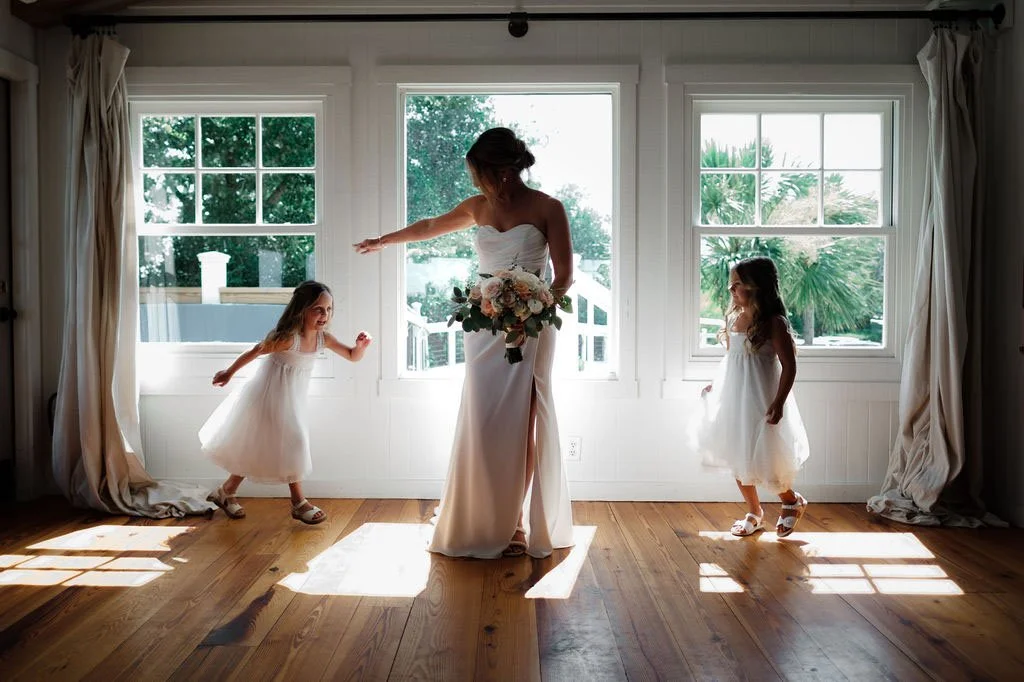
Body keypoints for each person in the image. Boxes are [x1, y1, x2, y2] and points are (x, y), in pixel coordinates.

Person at [354, 127, 574, 558]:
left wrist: (533, 310)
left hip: (530, 328)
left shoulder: (549, 207)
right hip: (485, 324)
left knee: (521, 421)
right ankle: (479, 514)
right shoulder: (477, 206)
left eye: (479, 172)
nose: (475, 181)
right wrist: (384, 241)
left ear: (503, 170)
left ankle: (514, 523)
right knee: (484, 421)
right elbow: (430, 226)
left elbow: (564, 276)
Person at [201, 280, 372, 525]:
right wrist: (229, 372)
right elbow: (256, 350)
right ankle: (298, 503)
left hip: (291, 399)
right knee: (295, 440)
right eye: (318, 309)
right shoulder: (288, 339)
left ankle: (225, 492)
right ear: (302, 309)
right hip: (267, 396)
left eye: (328, 309)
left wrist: (360, 346)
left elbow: (352, 356)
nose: (324, 315)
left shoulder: (323, 338)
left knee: (257, 445)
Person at [697, 256, 810, 537]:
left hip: (761, 399)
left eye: (737, 284)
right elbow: (732, 360)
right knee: (738, 456)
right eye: (730, 284)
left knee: (767, 461)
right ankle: (754, 511)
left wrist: (778, 403)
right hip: (734, 399)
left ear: (758, 287)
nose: (731, 290)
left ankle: (791, 501)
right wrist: (716, 386)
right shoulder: (733, 319)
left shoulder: (774, 323)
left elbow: (789, 366)